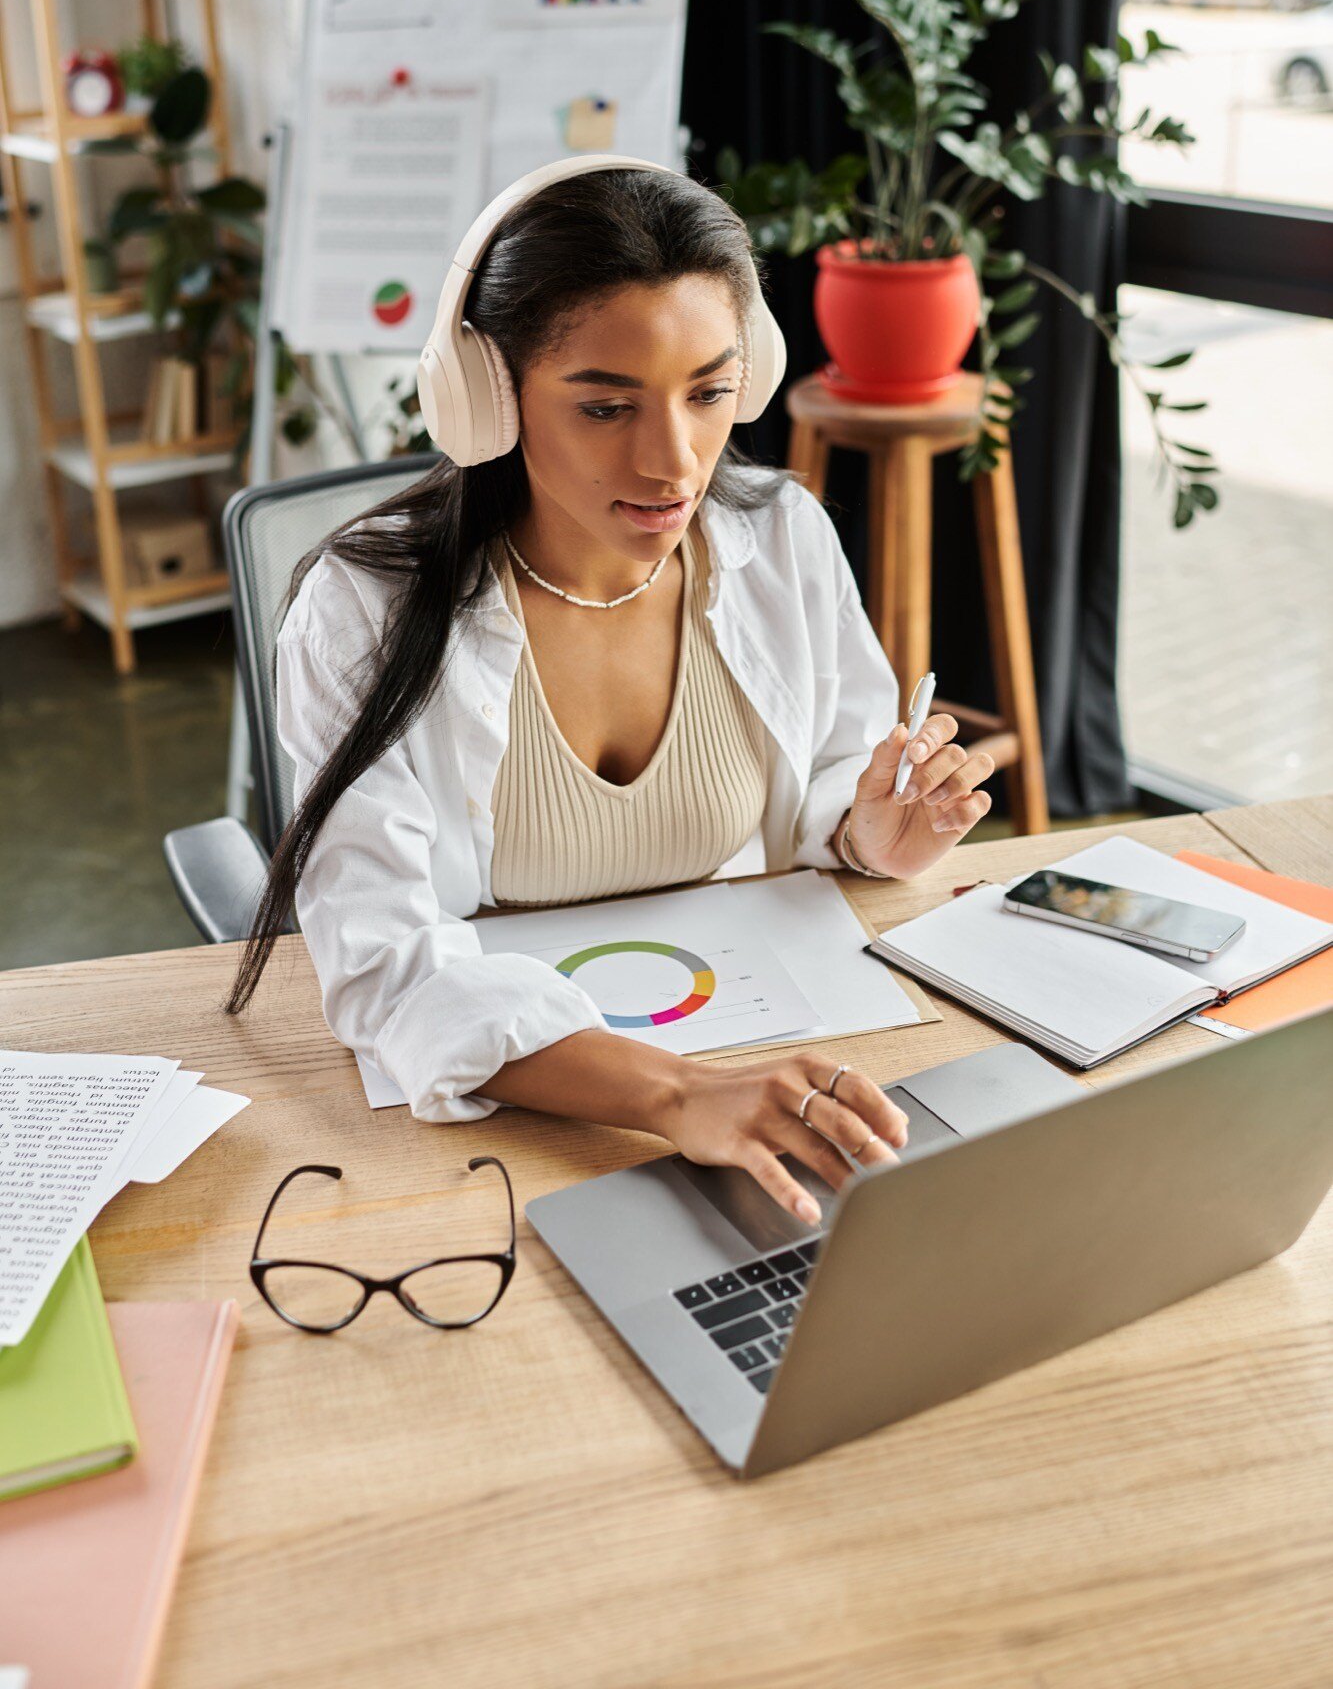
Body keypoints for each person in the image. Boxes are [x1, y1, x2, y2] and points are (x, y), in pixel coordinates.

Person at [228, 163, 995, 1226]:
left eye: (709, 393)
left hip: (752, 1046)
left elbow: (827, 773)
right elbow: (385, 968)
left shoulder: (781, 539)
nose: (673, 462)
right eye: (604, 406)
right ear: (486, 396)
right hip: (501, 1133)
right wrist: (679, 1094)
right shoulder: (360, 611)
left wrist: (866, 830)